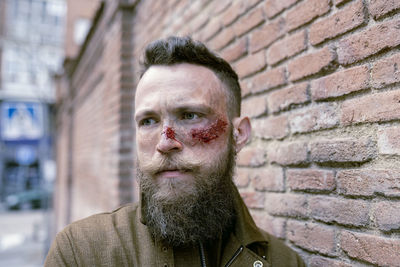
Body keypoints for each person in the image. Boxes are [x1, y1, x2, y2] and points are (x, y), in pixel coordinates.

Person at [45, 36, 305, 267]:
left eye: (190, 115)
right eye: (148, 121)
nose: (165, 142)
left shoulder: (283, 262)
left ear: (238, 134)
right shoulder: (81, 252)